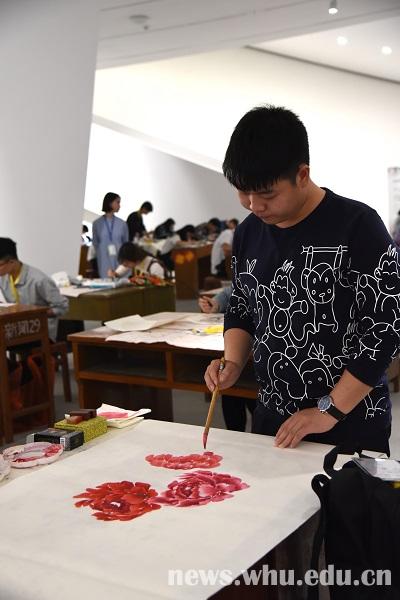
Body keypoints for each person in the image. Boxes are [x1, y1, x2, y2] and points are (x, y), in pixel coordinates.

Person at [204, 105, 400, 454]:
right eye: (243, 192)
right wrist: (232, 361)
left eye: (267, 195)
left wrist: (329, 410)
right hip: (274, 419)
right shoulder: (249, 232)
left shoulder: (358, 226)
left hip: (350, 421)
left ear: (302, 175)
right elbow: (242, 307)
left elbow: (385, 330)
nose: (254, 205)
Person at [199, 287, 256, 431]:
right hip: (238, 352)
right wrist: (217, 303)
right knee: (232, 397)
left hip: (266, 364)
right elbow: (237, 294)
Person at [0, 237, 69, 341]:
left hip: (40, 332)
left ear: (11, 262)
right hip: (16, 330)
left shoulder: (39, 280)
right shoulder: (4, 277)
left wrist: (36, 314)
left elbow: (63, 307)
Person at [92, 192, 129, 278]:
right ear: (110, 202)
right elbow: (95, 243)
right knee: (106, 281)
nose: (119, 205)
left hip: (119, 258)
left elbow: (126, 243)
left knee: (120, 281)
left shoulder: (122, 224)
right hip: (103, 258)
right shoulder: (97, 223)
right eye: (117, 202)